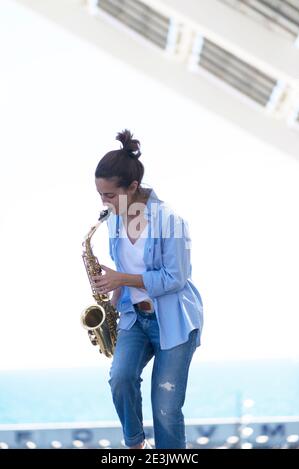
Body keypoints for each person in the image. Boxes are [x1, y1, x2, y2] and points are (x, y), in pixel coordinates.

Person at [91, 129, 204, 449]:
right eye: (100, 194)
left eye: (110, 195)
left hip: (175, 322)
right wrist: (111, 305)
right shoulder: (113, 219)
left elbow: (175, 279)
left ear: (133, 187)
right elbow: (122, 268)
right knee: (120, 379)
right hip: (133, 318)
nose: (104, 202)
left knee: (166, 409)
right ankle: (136, 445)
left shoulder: (171, 222)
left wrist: (121, 280)